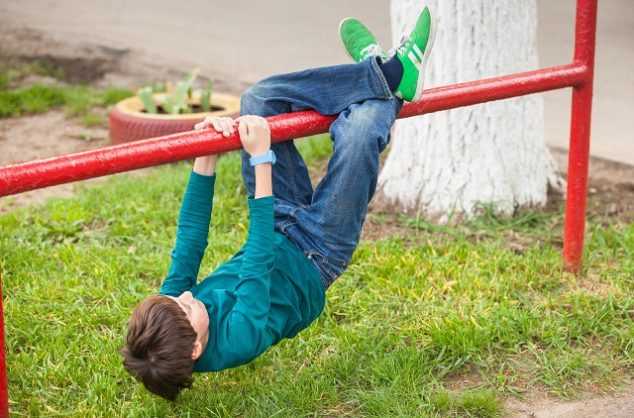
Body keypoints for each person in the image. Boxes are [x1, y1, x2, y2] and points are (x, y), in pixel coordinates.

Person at [119, 6, 436, 401]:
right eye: (186, 307)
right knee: (359, 132)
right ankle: (382, 75)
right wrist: (260, 157)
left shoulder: (173, 313)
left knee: (258, 100)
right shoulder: (238, 340)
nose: (185, 295)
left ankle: (381, 72)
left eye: (175, 297)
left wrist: (208, 152)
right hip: (317, 253)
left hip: (278, 223)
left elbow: (190, 240)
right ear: (196, 348)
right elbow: (257, 260)